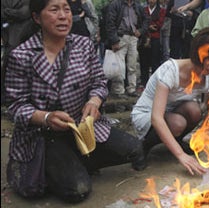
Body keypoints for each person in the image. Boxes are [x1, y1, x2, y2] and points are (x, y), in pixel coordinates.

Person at [4, 0, 146, 203]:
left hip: (83, 128)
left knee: (134, 149)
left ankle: (73, 161)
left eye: (67, 9)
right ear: (37, 17)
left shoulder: (84, 45)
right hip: (44, 135)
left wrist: (94, 102)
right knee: (77, 190)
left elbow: (98, 82)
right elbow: (16, 106)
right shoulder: (21, 55)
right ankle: (63, 164)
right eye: (54, 10)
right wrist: (46, 117)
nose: (63, 16)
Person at [131, 27, 209, 175]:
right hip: (146, 116)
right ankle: (143, 146)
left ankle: (174, 140)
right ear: (199, 52)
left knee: (195, 110)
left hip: (170, 114)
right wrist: (180, 155)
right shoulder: (171, 71)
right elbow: (157, 118)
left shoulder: (207, 78)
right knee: (178, 123)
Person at [105, 0, 150, 98]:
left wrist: (141, 31)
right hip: (120, 37)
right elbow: (110, 22)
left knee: (132, 64)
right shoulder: (115, 4)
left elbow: (147, 19)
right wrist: (114, 40)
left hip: (133, 37)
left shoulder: (137, 5)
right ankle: (118, 90)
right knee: (118, 65)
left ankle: (131, 89)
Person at [1, 0, 35, 105]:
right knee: (6, 68)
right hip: (6, 35)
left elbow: (25, 13)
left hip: (23, 35)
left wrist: (8, 13)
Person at [138, 0, 166, 87]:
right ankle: (144, 82)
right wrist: (147, 26)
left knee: (155, 60)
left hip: (155, 37)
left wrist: (148, 25)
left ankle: (154, 82)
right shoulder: (143, 9)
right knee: (144, 60)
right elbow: (140, 21)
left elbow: (159, 23)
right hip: (144, 37)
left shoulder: (161, 10)